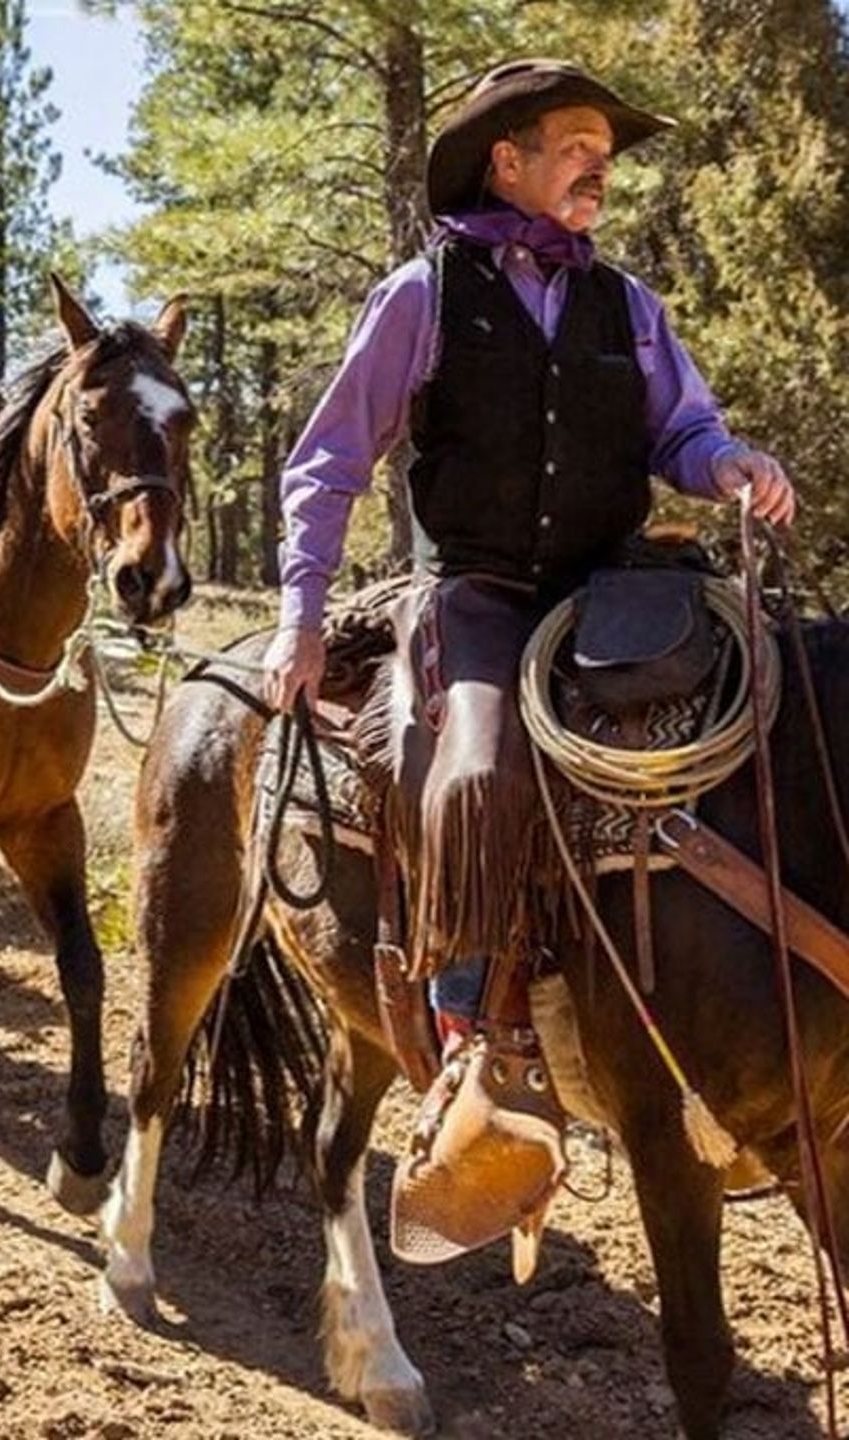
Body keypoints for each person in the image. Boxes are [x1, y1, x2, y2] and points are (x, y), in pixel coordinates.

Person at [261, 59, 796, 1260]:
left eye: (607, 150)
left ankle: (719, 1029)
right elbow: (330, 461)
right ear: (509, 159)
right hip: (487, 593)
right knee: (478, 773)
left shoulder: (629, 304)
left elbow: (685, 429)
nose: (599, 166)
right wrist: (299, 612)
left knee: (771, 722)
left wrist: (732, 466)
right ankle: (472, 1060)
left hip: (621, 588)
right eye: (576, 144)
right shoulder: (425, 294)